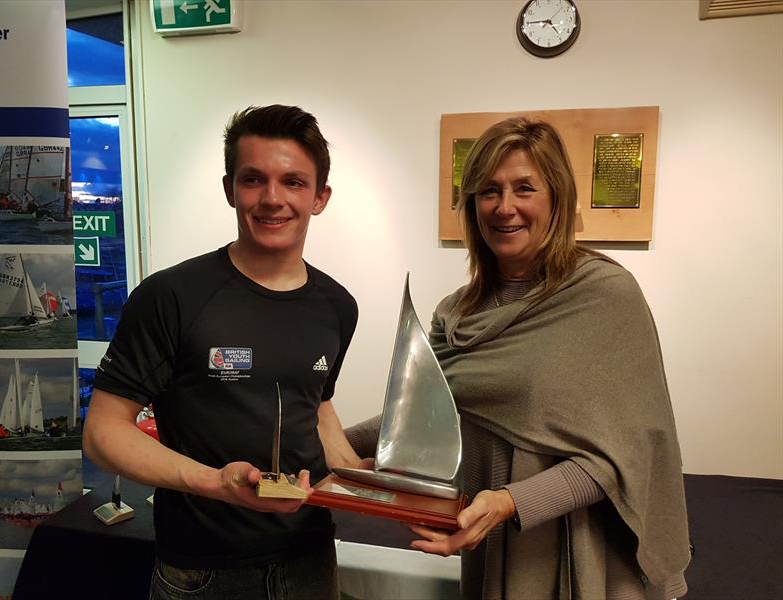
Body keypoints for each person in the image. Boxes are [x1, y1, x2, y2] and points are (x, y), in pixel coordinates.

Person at [347, 117, 690, 599]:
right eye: (488, 191)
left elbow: (628, 456)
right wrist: (332, 445)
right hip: (487, 537)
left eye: (524, 188)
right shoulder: (457, 310)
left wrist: (512, 502)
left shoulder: (606, 296)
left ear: (558, 198)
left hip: (583, 550)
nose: (504, 207)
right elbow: (428, 411)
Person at [83, 105, 365, 600]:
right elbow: (103, 432)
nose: (273, 199)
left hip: (311, 559)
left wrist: (361, 474)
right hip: (201, 572)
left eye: (293, 182)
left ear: (320, 197)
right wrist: (215, 483)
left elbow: (316, 407)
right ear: (229, 189)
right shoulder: (171, 297)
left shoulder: (338, 306)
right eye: (253, 179)